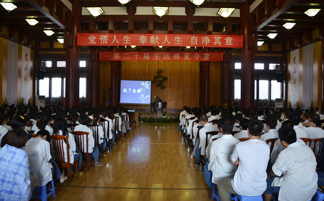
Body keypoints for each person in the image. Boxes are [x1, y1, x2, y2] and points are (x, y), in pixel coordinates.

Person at [218, 120, 270, 201]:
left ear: (248, 130)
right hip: (261, 188)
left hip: (243, 187)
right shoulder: (267, 147)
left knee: (221, 184)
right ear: (262, 131)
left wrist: (237, 162)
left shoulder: (240, 145)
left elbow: (232, 160)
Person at [263, 128, 317, 201]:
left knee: (268, 184)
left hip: (293, 190)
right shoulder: (307, 148)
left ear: (284, 142)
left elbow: (275, 172)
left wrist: (269, 176)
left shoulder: (285, 153)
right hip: (311, 187)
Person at [207, 118, 240, 197]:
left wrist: (210, 167)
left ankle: (211, 188)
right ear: (232, 128)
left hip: (219, 174)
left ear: (220, 129)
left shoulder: (215, 142)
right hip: (234, 173)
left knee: (207, 167)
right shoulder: (238, 142)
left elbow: (211, 159)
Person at [0, 129, 36, 201]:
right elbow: (23, 176)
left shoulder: (3, 149)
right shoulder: (21, 154)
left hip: (1, 188)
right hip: (16, 191)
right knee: (35, 175)